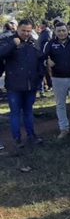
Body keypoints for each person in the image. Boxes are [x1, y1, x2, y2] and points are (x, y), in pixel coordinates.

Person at [0, 20, 45, 148]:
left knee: (28, 111)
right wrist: (13, 44)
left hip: (31, 85)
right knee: (15, 113)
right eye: (23, 31)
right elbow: (1, 53)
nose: (26, 33)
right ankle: (17, 138)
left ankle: (31, 135)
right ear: (17, 29)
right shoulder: (8, 40)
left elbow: (40, 58)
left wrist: (40, 76)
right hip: (14, 86)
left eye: (28, 31)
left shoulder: (33, 42)